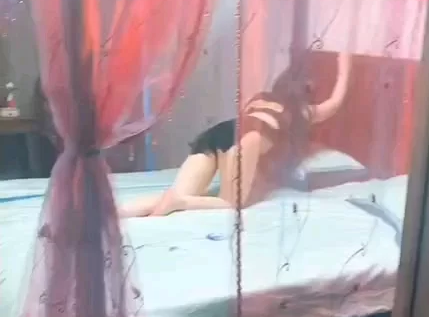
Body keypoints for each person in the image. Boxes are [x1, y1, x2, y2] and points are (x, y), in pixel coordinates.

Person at [120, 52, 352, 217]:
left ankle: (119, 213)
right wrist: (345, 68)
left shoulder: (260, 97)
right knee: (232, 204)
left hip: (218, 132)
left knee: (174, 192)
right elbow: (335, 102)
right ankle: (181, 203)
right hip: (246, 138)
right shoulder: (300, 112)